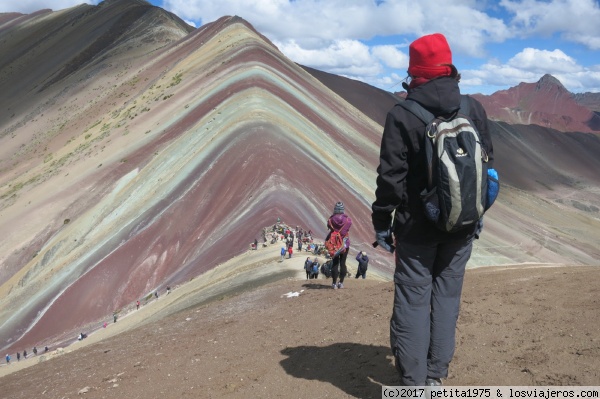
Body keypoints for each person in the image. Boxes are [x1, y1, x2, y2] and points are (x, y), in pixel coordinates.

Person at [371, 33, 494, 387]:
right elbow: (486, 166)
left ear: (415, 71)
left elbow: (390, 178)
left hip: (416, 230)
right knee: (447, 298)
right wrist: (477, 212)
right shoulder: (472, 107)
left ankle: (413, 386)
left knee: (412, 302)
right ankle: (436, 376)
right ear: (449, 66)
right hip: (463, 226)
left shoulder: (403, 115)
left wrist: (382, 221)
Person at [326, 201, 352, 289]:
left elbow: (329, 227)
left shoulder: (330, 219)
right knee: (343, 263)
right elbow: (348, 228)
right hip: (344, 245)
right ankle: (341, 283)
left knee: (335, 263)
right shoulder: (348, 220)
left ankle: (334, 283)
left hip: (334, 245)